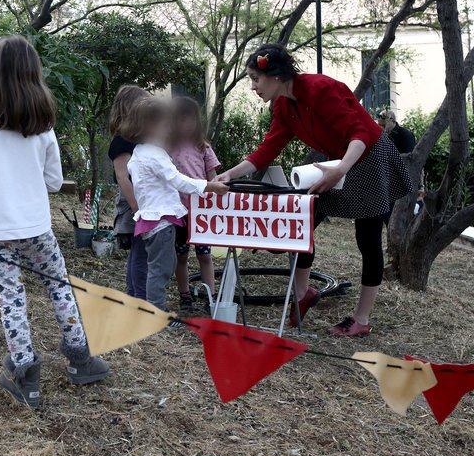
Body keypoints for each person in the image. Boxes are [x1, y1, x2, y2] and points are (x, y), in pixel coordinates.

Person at [0, 35, 110, 408]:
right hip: (37, 229)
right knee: (59, 288)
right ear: (34, 77)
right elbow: (52, 182)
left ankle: (25, 374)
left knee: (11, 299)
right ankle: (81, 359)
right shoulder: (43, 128)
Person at [216, 43, 412, 337]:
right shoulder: (283, 105)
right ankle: (303, 293)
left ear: (277, 76)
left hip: (369, 156)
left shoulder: (320, 89)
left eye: (256, 79)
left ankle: (361, 320)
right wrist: (228, 176)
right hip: (336, 161)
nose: (254, 87)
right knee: (303, 220)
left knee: (367, 237)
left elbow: (359, 133)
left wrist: (340, 170)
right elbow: (267, 150)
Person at [123, 97, 229, 312]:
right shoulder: (156, 155)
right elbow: (178, 180)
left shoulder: (138, 154)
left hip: (151, 221)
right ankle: (157, 312)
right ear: (151, 128)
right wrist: (209, 186)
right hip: (160, 223)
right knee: (160, 270)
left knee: (162, 266)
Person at [170, 96, 221, 311]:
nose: (186, 125)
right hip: (178, 212)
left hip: (200, 212)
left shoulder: (203, 147)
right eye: (181, 120)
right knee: (181, 256)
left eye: (190, 120)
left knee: (205, 255)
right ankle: (185, 294)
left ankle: (210, 296)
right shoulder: (166, 148)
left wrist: (216, 202)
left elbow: (213, 178)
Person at [108, 85, 151, 300]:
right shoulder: (122, 142)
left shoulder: (139, 140)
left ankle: (134, 297)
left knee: (140, 252)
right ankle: (140, 300)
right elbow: (123, 177)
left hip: (141, 203)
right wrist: (138, 208)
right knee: (141, 253)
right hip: (134, 205)